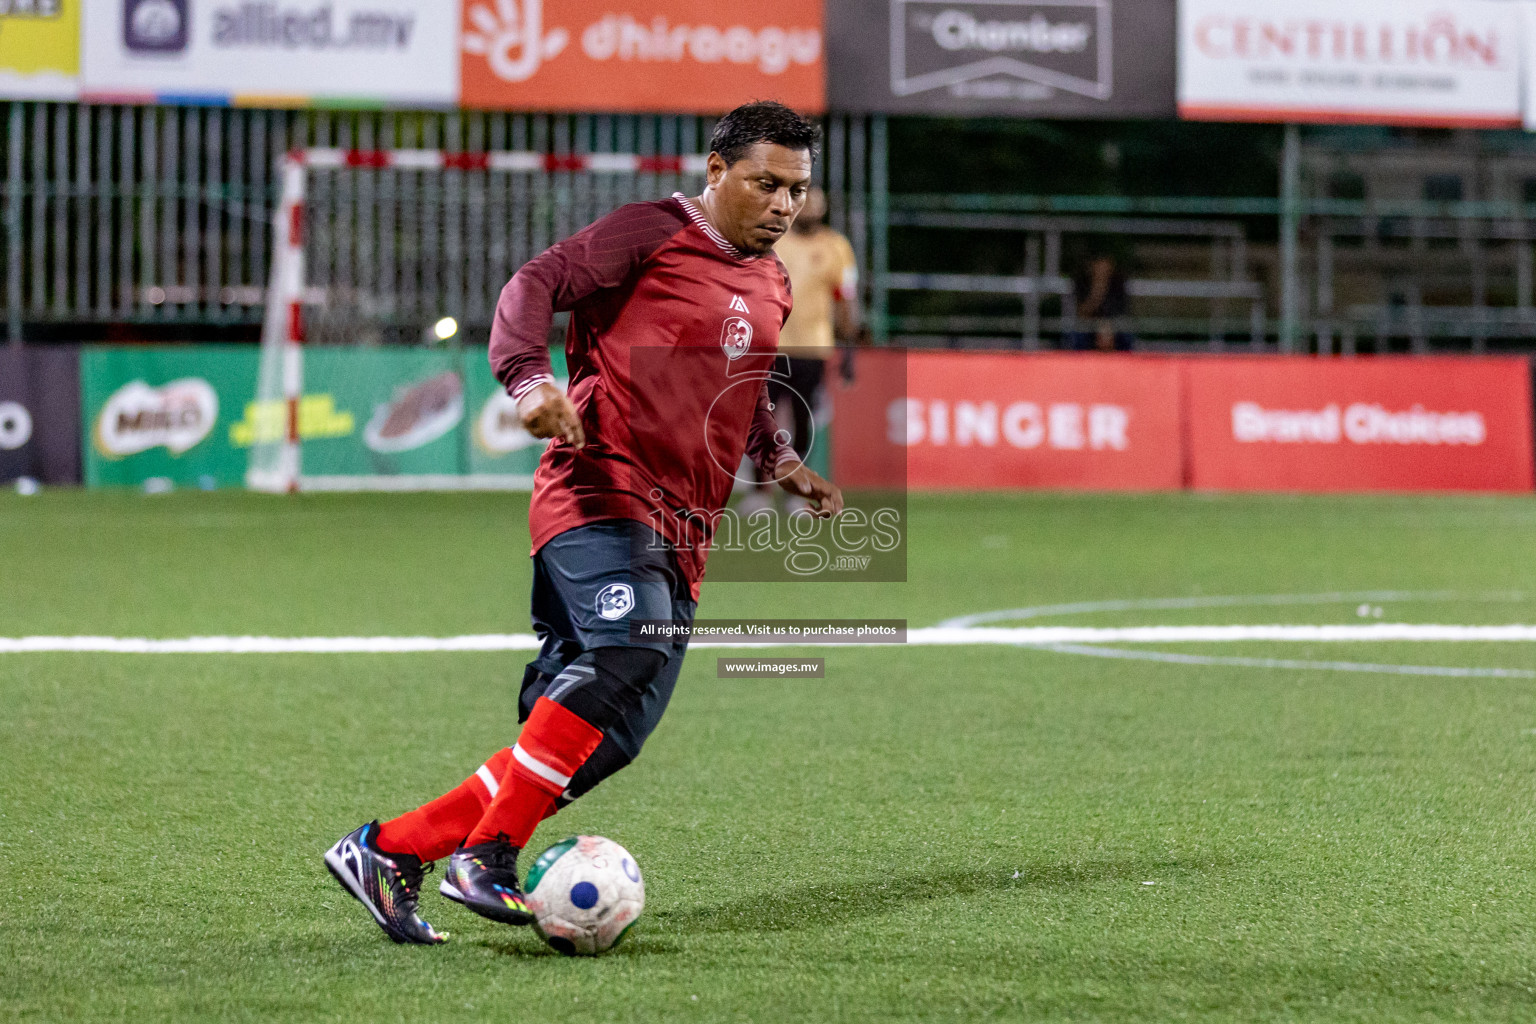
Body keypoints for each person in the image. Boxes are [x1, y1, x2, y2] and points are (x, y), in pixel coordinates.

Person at [322, 102, 844, 945]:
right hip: (598, 493)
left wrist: (778, 460)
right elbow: (533, 286)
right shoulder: (649, 231)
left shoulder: (773, 280)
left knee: (610, 736)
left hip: (684, 534)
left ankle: (388, 850)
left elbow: (736, 391)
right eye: (767, 183)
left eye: (798, 189)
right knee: (628, 648)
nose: (784, 204)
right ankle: (486, 856)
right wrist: (530, 383)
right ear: (717, 172)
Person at [740, 187, 860, 514]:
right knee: (762, 417)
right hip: (771, 345)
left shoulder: (837, 247)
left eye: (816, 204)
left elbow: (846, 299)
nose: (809, 210)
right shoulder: (774, 240)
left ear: (823, 210)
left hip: (814, 348)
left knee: (804, 421)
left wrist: (849, 350)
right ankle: (760, 493)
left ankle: (797, 492)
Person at [1069, 253, 1133, 352]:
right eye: (1099, 265)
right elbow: (1082, 312)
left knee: (1126, 334)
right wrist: (1097, 291)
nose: (1102, 268)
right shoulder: (1082, 282)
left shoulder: (1118, 282)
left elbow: (1121, 310)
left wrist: (1108, 324)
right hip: (1090, 323)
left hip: (1112, 324)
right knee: (1078, 334)